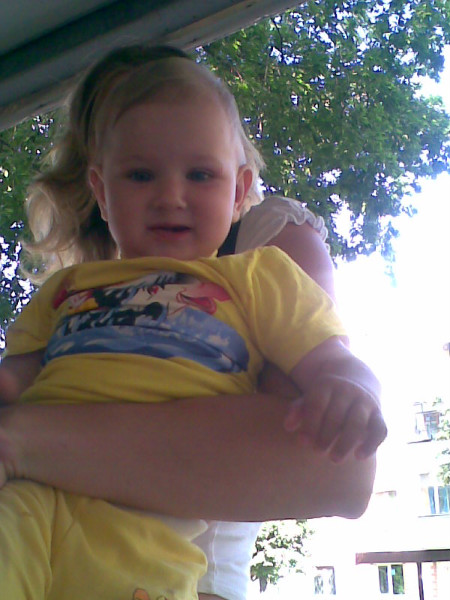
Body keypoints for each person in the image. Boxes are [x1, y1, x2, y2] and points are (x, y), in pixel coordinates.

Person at [0, 46, 387, 600]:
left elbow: (333, 363)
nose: (170, 196)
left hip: (145, 531)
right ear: (101, 189)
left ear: (239, 189)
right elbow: (19, 375)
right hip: (28, 501)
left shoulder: (257, 274)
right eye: (140, 174)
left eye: (200, 174)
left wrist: (352, 391)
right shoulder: (69, 288)